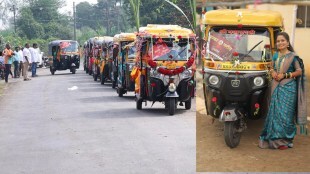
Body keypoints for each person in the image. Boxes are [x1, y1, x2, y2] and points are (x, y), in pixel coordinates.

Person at [258, 32, 307, 150]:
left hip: (289, 89)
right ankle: (274, 140)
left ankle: (285, 140)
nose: (280, 43)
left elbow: (299, 71)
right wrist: (273, 72)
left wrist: (285, 75)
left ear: (288, 42)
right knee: (275, 114)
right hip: (276, 87)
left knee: (285, 115)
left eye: (282, 40)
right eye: (278, 41)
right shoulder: (275, 55)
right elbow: (271, 67)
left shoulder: (293, 56)